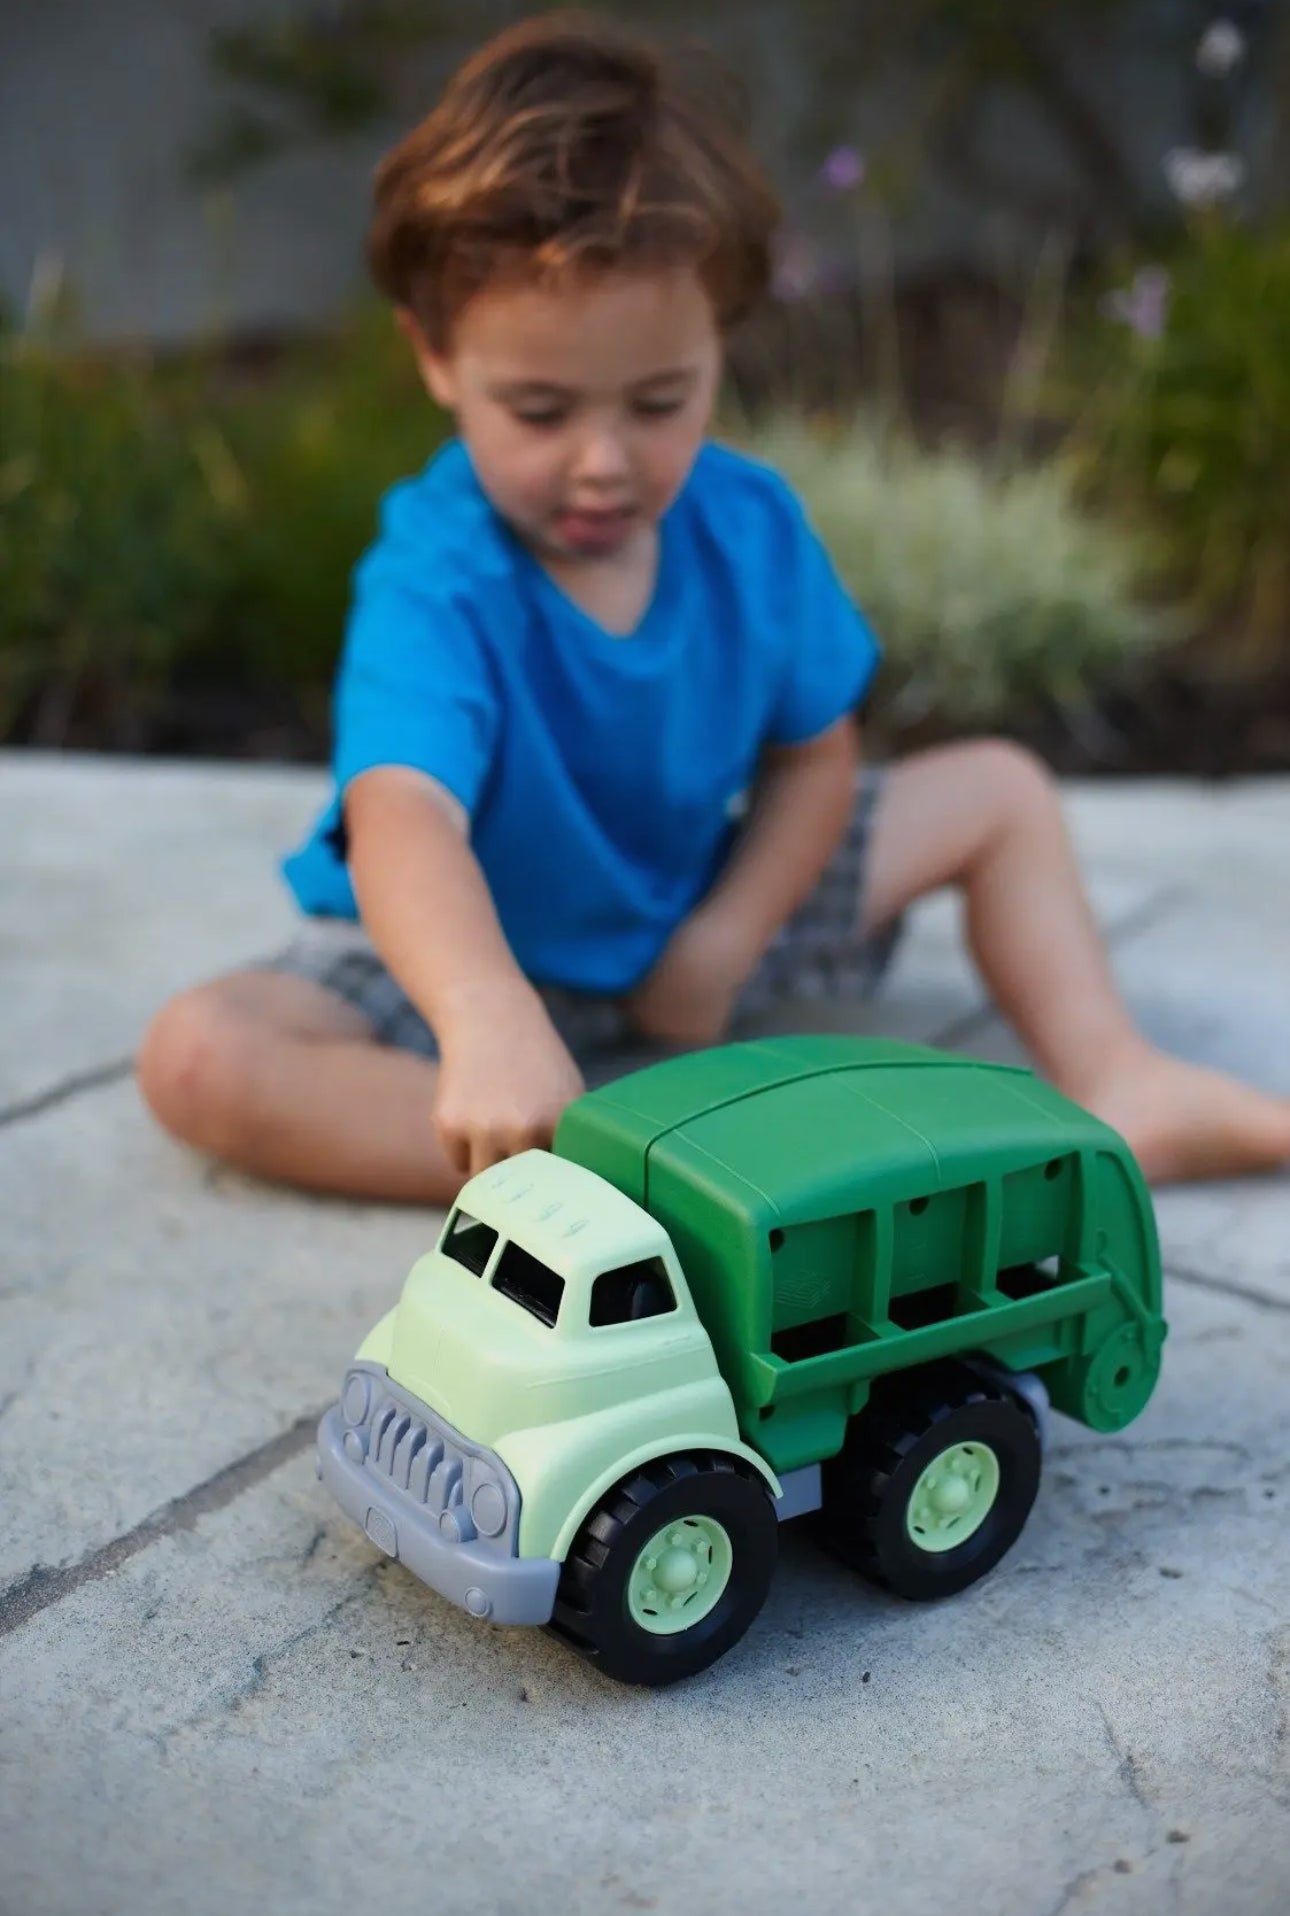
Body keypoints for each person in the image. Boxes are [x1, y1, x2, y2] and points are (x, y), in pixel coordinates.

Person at [138, 9, 1290, 1201]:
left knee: (996, 788)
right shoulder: (439, 573)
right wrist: (485, 1009)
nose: (603, 462)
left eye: (658, 401)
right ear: (434, 356)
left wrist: (726, 935)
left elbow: (813, 757)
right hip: (462, 962)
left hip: (689, 913)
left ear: (718, 346)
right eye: (540, 410)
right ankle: (611, 1171)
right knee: (203, 1055)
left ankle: (1119, 1075)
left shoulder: (749, 524)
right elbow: (402, 818)